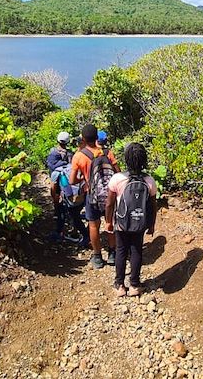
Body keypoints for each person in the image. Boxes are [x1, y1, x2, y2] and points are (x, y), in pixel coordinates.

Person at [105, 142, 158, 297]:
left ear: (126, 160)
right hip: (139, 223)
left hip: (121, 222)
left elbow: (109, 203)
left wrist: (108, 221)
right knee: (136, 251)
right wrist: (152, 224)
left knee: (121, 251)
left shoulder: (117, 179)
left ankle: (120, 285)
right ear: (144, 160)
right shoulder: (149, 181)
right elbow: (153, 206)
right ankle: (134, 285)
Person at [69, 124, 120, 269]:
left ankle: (97, 256)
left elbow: (72, 180)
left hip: (91, 195)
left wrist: (85, 180)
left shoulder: (78, 156)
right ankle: (112, 254)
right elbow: (118, 172)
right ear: (97, 137)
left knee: (93, 225)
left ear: (83, 139)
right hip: (109, 195)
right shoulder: (107, 153)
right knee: (110, 222)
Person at [47, 132, 89, 246]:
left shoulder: (55, 167)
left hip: (64, 192)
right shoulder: (71, 156)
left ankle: (60, 233)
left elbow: (53, 187)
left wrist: (55, 199)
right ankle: (75, 232)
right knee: (74, 213)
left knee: (62, 213)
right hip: (77, 192)